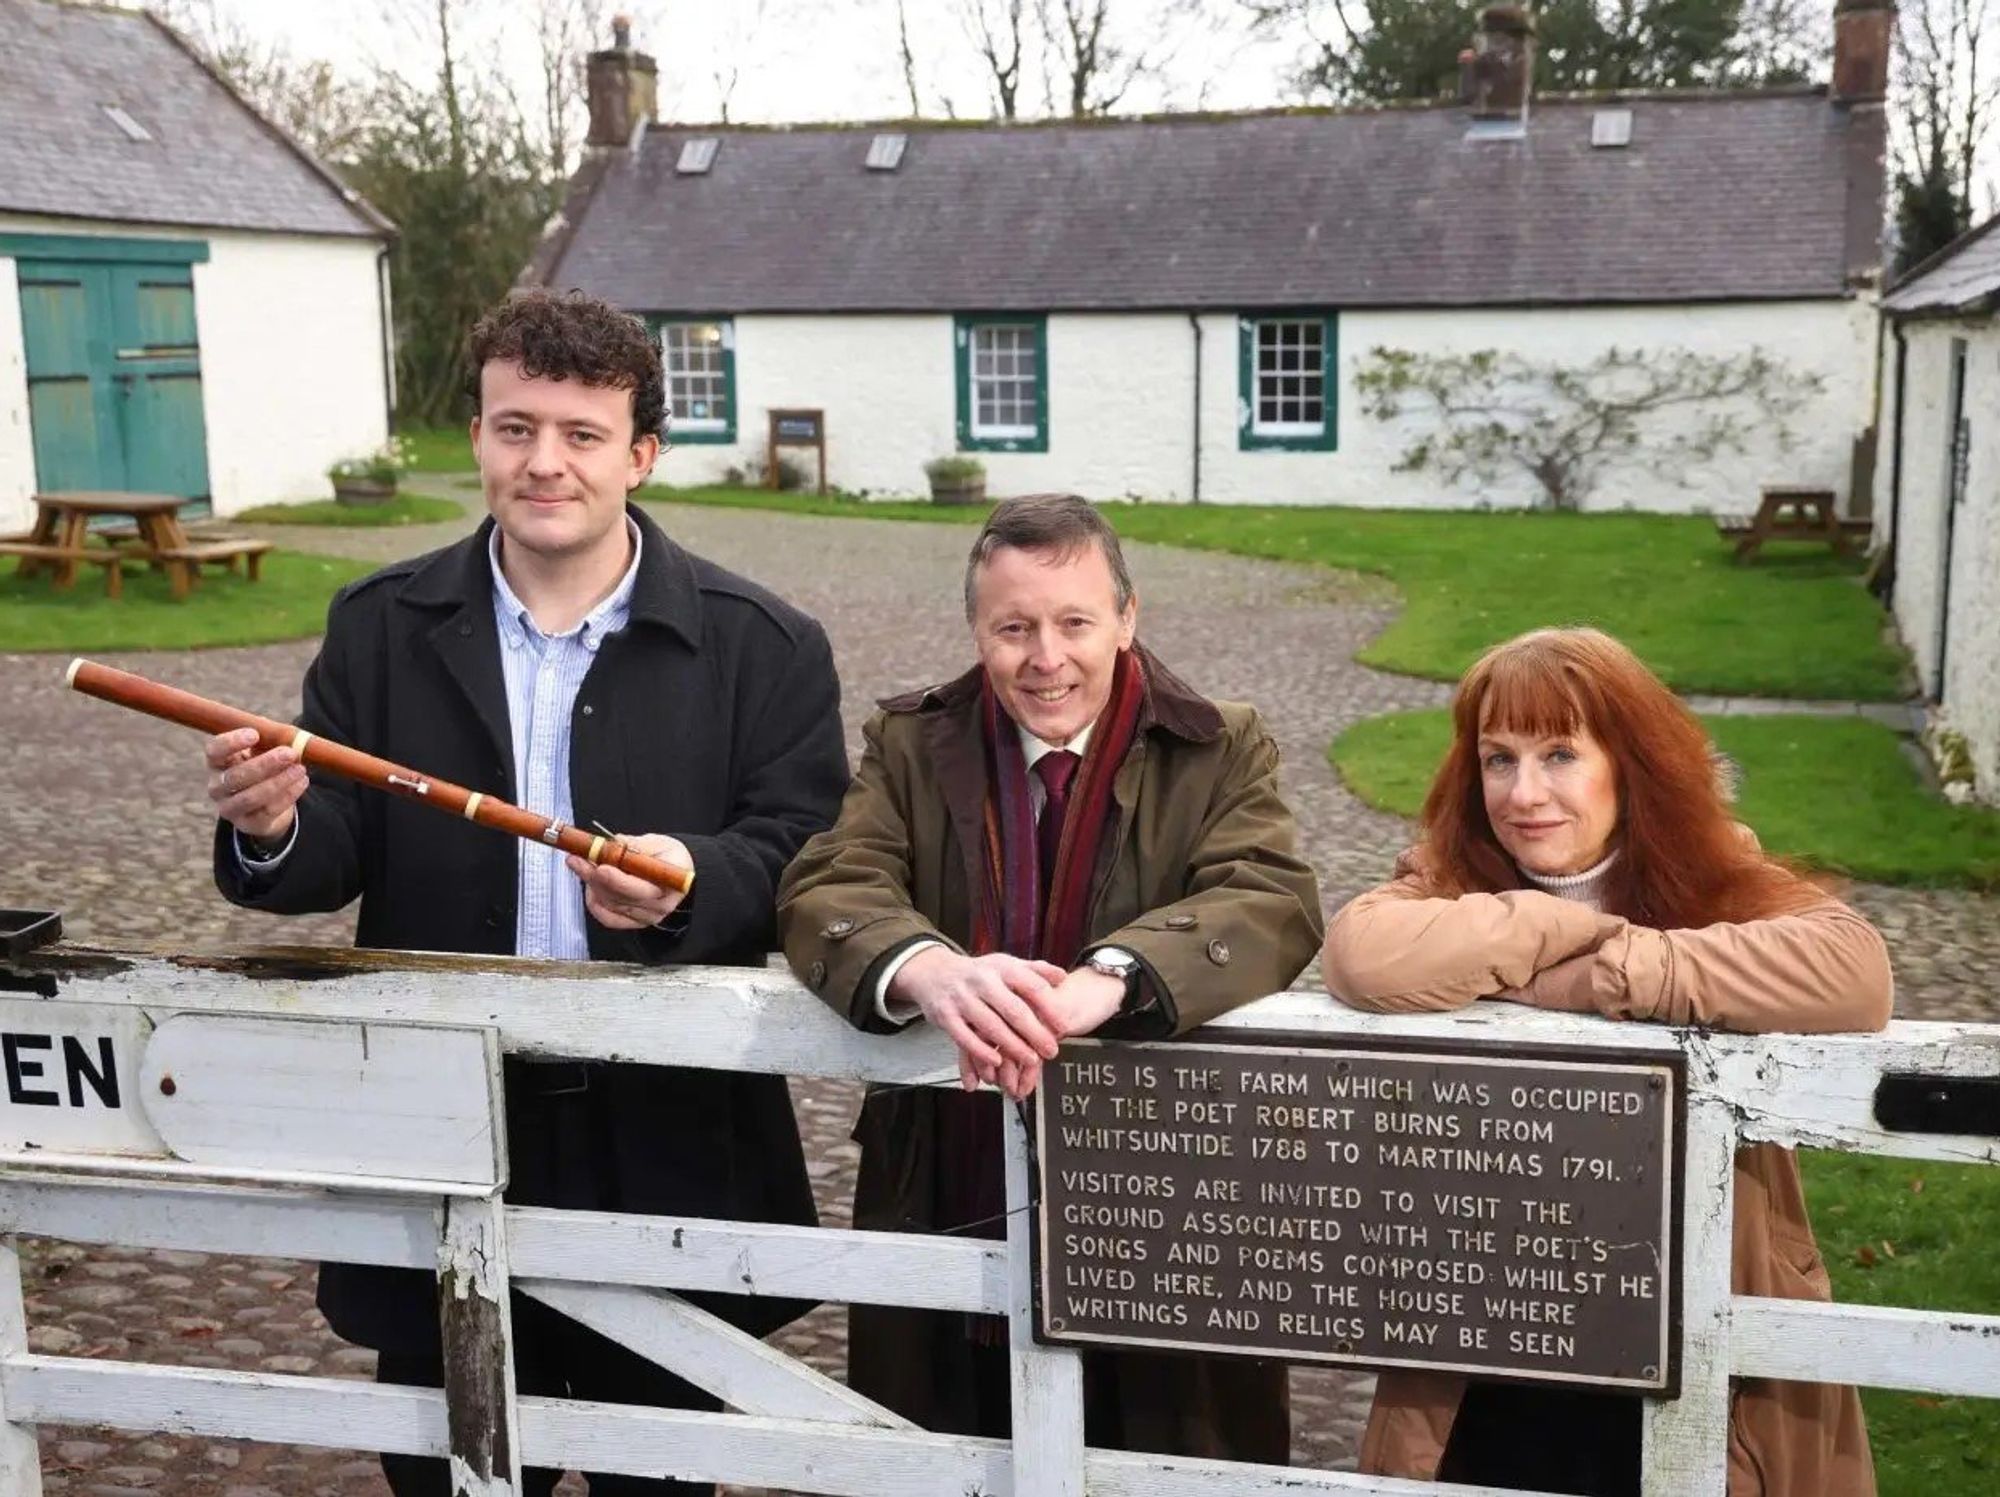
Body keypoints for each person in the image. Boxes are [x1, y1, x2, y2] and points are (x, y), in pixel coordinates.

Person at [204, 289, 849, 1497]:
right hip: (437, 1118)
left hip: (661, 1132)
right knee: (447, 1474)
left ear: (641, 454)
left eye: (579, 434)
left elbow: (809, 854)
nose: (542, 462)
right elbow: (329, 854)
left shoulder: (764, 644)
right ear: (476, 437)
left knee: (652, 1475)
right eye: (513, 428)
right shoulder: (381, 625)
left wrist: (690, 884)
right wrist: (278, 824)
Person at [777, 492, 1323, 1460]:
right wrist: (929, 970)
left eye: (1074, 622)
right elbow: (830, 880)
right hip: (942, 1182)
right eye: (1012, 628)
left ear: (1126, 617)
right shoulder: (910, 742)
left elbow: (1268, 893)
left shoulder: (1218, 741)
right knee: (943, 1450)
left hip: (1164, 1197)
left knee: (1159, 1452)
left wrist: (1112, 980)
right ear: (975, 630)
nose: (1045, 658)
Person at [1321, 626, 1886, 1497]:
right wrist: (1560, 925)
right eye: (1498, 758)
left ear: (1628, 762)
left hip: (1686, 1301)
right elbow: (1362, 956)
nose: (1525, 792)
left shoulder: (1713, 870)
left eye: (1559, 754)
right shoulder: (1451, 876)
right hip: (1496, 1323)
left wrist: (1615, 972)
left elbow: (1854, 968)